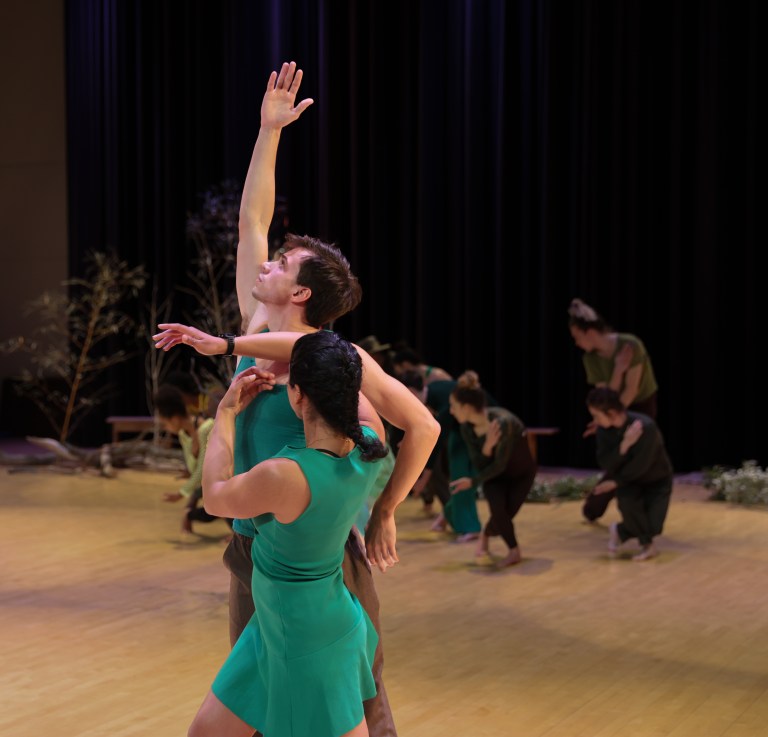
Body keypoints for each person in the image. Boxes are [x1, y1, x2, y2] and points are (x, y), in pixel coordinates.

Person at [156, 61, 439, 737]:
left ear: (302, 293)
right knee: (251, 707)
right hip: (252, 554)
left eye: (281, 263)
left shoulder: (335, 359)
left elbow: (421, 425)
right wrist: (267, 131)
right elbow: (253, 217)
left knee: (361, 702)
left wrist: (386, 512)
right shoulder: (253, 330)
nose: (264, 262)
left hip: (318, 560)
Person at [188, 331, 389, 737]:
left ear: (297, 396)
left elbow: (213, 497)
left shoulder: (285, 475)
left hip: (307, 639)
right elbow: (372, 413)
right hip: (280, 626)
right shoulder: (370, 444)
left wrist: (226, 412)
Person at [568, 297, 660, 522]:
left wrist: (608, 418)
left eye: (577, 337)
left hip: (641, 405)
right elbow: (604, 398)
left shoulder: (630, 344)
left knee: (632, 454)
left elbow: (630, 391)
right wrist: (618, 370)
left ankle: (598, 506)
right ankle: (603, 506)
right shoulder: (590, 359)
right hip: (611, 408)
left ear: (589, 332)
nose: (576, 343)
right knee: (617, 455)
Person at [448, 371, 537, 568]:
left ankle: (486, 534)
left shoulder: (504, 422)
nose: (451, 411)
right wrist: (487, 448)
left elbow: (501, 464)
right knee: (499, 512)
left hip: (521, 475)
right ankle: (514, 551)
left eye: (453, 406)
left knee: (503, 518)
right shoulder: (466, 429)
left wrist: (472, 482)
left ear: (467, 407)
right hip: (494, 477)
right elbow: (481, 464)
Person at [585, 387, 673, 561]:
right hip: (628, 482)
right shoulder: (603, 431)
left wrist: (616, 482)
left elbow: (642, 465)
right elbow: (605, 462)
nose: (594, 420)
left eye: (596, 415)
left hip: (656, 479)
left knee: (654, 526)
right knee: (634, 513)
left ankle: (619, 531)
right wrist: (623, 446)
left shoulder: (645, 427)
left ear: (610, 413)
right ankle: (648, 547)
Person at [399, 371, 481, 540]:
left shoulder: (444, 407)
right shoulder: (433, 390)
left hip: (474, 434)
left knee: (463, 480)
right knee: (461, 479)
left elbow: (435, 448)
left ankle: (469, 527)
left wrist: (423, 480)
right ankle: (450, 517)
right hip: (461, 436)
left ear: (412, 391)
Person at [154, 384, 231, 537]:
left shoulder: (205, 429)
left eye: (165, 423)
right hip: (210, 483)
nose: (166, 428)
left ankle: (238, 533)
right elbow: (195, 468)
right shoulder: (184, 434)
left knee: (214, 503)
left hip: (228, 477)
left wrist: (181, 493)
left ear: (174, 418)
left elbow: (202, 470)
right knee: (206, 502)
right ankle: (190, 515)